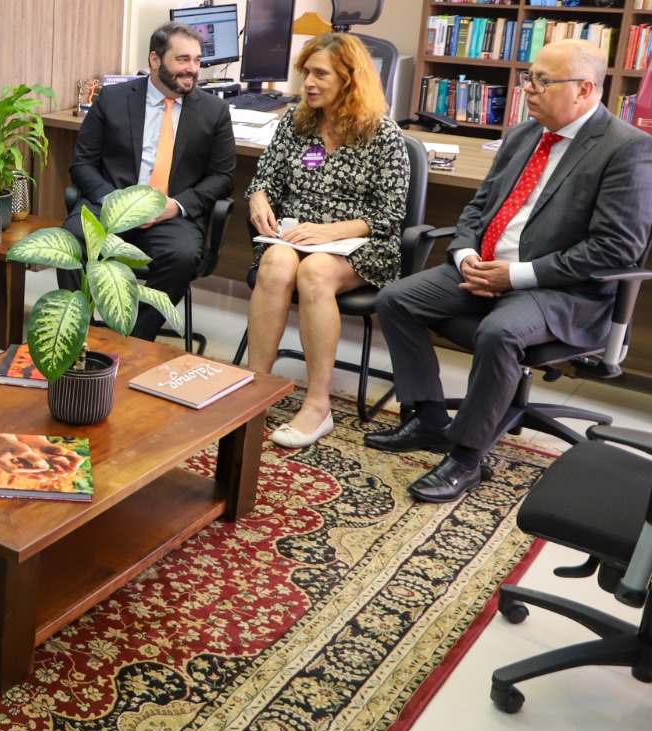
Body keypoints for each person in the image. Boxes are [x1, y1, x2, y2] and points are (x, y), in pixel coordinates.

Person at [367, 39, 652, 502]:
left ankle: (466, 458)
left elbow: (615, 249)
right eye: (528, 78)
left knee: (499, 333)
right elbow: (478, 208)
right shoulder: (523, 135)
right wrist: (464, 254)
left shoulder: (628, 150)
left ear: (583, 90)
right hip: (486, 269)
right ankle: (431, 419)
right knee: (396, 298)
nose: (528, 90)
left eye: (543, 81)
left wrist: (515, 276)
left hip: (563, 289)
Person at [244, 32, 411, 447]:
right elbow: (265, 179)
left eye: (320, 75)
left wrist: (330, 233)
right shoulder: (296, 122)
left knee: (316, 271)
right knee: (277, 263)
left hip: (360, 245)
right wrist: (259, 199)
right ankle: (255, 389)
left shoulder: (382, 134)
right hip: (297, 235)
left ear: (349, 79)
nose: (309, 85)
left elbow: (389, 215)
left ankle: (318, 406)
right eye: (306, 74)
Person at [65, 22, 236, 339]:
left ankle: (134, 340)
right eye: (183, 59)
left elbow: (222, 178)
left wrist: (176, 206)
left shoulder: (215, 111)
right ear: (155, 60)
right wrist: (115, 201)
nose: (192, 69)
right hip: (111, 207)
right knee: (71, 243)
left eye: (197, 61)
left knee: (183, 257)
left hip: (170, 214)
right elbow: (82, 163)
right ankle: (80, 336)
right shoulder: (113, 99)